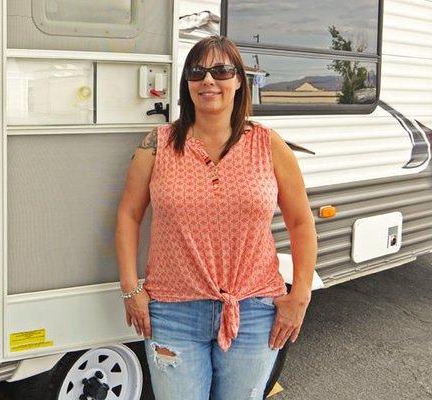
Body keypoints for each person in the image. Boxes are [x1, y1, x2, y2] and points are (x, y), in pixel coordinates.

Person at [115, 35, 317, 400]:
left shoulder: (269, 145)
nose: (208, 80)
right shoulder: (157, 144)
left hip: (255, 313)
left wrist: (300, 294)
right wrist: (131, 289)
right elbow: (129, 215)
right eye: (197, 71)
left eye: (221, 70)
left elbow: (301, 222)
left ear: (239, 80)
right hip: (173, 313)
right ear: (187, 83)